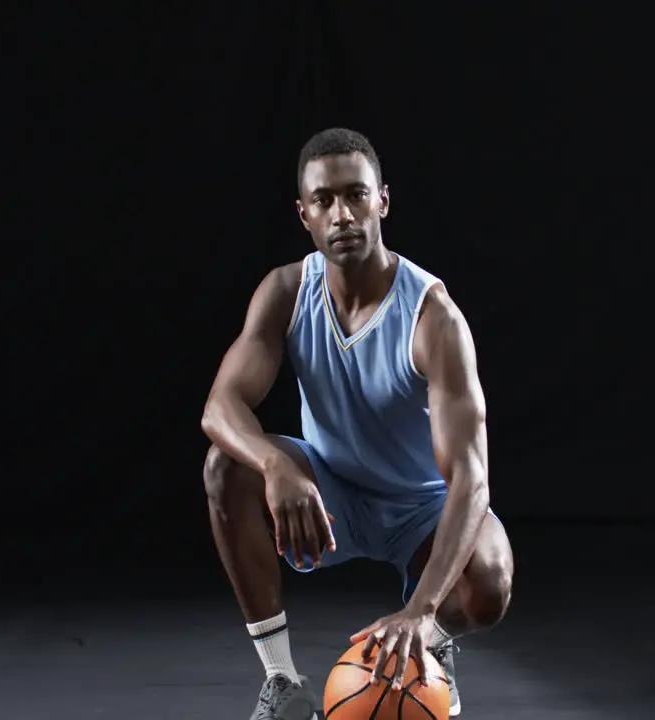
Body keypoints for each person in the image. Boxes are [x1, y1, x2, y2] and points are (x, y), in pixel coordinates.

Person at [200, 127, 514, 719]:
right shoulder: (287, 291)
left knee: (490, 585)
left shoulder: (433, 318)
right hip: (329, 492)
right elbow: (220, 406)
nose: (341, 214)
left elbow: (472, 482)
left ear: (382, 201)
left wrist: (421, 610)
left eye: (356, 195)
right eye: (324, 201)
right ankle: (282, 680)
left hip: (419, 506)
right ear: (304, 214)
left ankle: (433, 645)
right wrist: (274, 465)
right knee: (227, 466)